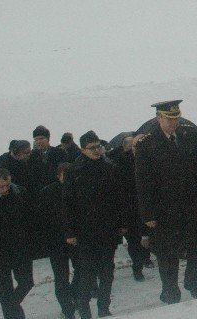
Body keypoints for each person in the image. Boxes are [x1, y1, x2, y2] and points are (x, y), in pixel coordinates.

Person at [135, 100, 197, 304]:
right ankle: (170, 290)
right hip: (164, 209)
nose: (174, 122)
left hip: (190, 206)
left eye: (176, 118)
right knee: (167, 254)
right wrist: (147, 214)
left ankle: (192, 282)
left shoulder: (187, 137)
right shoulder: (147, 145)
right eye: (169, 119)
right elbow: (143, 183)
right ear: (159, 118)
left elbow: (196, 172)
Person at [62, 131, 126, 319]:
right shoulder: (74, 171)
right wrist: (70, 231)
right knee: (87, 275)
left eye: (99, 146)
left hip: (107, 229)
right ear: (82, 150)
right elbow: (67, 203)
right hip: (85, 232)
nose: (97, 151)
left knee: (107, 273)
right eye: (92, 148)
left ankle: (104, 308)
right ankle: (84, 310)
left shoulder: (109, 167)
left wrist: (121, 223)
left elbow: (119, 198)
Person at [0, 168, 34, 319]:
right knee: (5, 290)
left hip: (20, 247)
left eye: (8, 185)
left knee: (27, 282)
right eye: (1, 186)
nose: (5, 189)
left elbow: (30, 218)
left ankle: (11, 310)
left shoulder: (20, 193)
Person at [107, 134, 152, 281]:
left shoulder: (148, 159)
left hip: (146, 203)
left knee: (146, 235)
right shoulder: (121, 162)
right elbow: (118, 187)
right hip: (129, 206)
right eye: (134, 146)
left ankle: (146, 257)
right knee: (134, 240)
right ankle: (137, 267)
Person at [39, 162, 77, 319]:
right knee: (61, 277)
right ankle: (68, 309)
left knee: (82, 271)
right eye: (64, 176)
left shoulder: (77, 189)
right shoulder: (48, 192)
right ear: (58, 176)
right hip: (56, 242)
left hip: (76, 240)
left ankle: (73, 296)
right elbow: (43, 219)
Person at [29, 125, 67, 194]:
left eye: (41, 138)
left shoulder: (59, 153)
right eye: (36, 139)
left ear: (48, 139)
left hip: (57, 191)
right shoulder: (31, 156)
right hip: (37, 193)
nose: (38, 142)